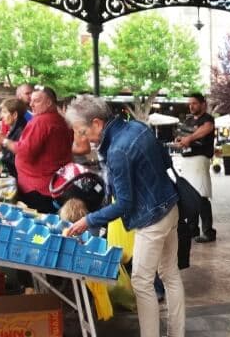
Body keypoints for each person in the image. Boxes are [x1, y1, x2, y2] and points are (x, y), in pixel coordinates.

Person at [64, 95, 185, 337]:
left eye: (82, 130)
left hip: (151, 219)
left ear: (97, 123)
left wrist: (87, 220)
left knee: (141, 282)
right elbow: (164, 161)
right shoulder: (137, 127)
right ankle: (176, 333)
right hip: (170, 207)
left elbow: (124, 204)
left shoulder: (118, 150)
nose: (82, 137)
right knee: (170, 274)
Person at [0, 86, 72, 213]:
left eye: (36, 101)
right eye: (31, 100)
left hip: (37, 188)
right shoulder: (62, 121)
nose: (31, 104)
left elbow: (24, 151)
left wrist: (3, 141)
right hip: (55, 185)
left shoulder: (40, 121)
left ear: (49, 102)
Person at [175, 93, 217, 243]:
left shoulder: (208, 119)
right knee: (189, 196)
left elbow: (206, 128)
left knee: (201, 195)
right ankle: (193, 230)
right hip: (186, 160)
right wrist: (179, 140)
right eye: (190, 104)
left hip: (200, 159)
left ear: (203, 104)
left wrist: (189, 138)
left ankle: (208, 231)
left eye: (194, 103)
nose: (191, 106)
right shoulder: (187, 120)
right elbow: (181, 135)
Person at [0, 98, 28, 179]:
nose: (1, 116)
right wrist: (1, 147)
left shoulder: (22, 131)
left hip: (19, 179)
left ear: (15, 115)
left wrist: (3, 140)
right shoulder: (15, 129)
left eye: (5, 112)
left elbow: (18, 158)